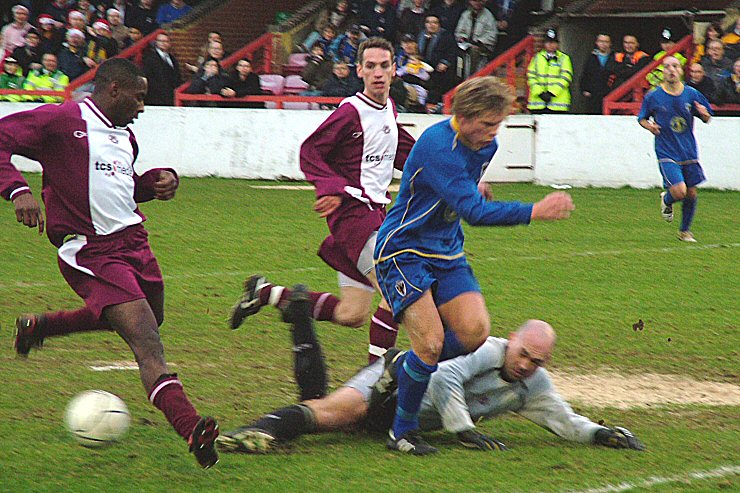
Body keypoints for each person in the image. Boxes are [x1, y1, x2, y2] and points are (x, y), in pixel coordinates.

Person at [0, 58, 220, 468]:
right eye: (139, 98)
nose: (142, 108)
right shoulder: (63, 120)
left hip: (135, 244)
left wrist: (154, 182)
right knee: (147, 341)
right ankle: (193, 428)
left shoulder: (124, 137)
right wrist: (16, 191)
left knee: (151, 317)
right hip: (91, 251)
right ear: (114, 89)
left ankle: (45, 325)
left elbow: (119, 188)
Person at [373, 76, 575, 454]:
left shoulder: (486, 144)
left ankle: (405, 368)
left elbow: (461, 192)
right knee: (431, 343)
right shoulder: (438, 146)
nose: (493, 133)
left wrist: (469, 188)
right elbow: (475, 213)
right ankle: (401, 431)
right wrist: (535, 210)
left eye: (498, 124)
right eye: (486, 124)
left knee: (474, 332)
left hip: (446, 248)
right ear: (462, 117)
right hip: (405, 249)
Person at [229, 38, 416, 364]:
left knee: (352, 313)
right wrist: (329, 187)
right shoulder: (350, 112)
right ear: (359, 70)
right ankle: (376, 386)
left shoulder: (388, 109)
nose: (378, 73)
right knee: (396, 292)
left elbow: (401, 148)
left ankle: (266, 293)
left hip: (376, 216)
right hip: (354, 217)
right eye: (370, 66)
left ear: (394, 70)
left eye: (384, 66)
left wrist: (443, 169)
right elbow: (310, 150)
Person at [216, 316, 645, 454]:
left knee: (331, 413)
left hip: (403, 418)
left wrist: (598, 433)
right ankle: (252, 432)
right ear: (512, 340)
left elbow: (561, 417)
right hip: (397, 379)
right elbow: (444, 374)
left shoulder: (532, 383)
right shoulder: (491, 350)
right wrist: (465, 430)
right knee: (340, 412)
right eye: (524, 354)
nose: (528, 365)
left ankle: (302, 318)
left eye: (538, 362)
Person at [638, 56, 712, 243]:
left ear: (680, 70)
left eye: (675, 66)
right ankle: (667, 200)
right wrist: (650, 127)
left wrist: (704, 114)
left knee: (692, 192)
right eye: (667, 67)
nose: (671, 70)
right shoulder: (653, 96)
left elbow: (707, 115)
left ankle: (684, 231)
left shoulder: (691, 94)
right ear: (663, 71)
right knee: (680, 191)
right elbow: (642, 118)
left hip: (688, 151)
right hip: (666, 151)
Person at [417, 13, 458, 112]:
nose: (431, 25)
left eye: (434, 23)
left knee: (439, 78)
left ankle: (435, 105)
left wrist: (445, 62)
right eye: (428, 22)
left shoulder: (446, 36)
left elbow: (452, 52)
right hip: (422, 66)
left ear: (439, 24)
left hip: (439, 68)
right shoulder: (421, 35)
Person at [527, 28, 573, 113]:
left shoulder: (564, 58)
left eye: (553, 42)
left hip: (558, 103)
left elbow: (566, 77)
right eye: (548, 42)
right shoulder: (537, 58)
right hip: (538, 103)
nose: (551, 45)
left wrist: (552, 92)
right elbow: (531, 76)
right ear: (544, 44)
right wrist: (540, 92)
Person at [454, 0, 498, 77]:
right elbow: (459, 31)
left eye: (479, 1)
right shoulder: (465, 14)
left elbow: (492, 35)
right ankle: (457, 77)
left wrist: (479, 42)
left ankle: (471, 76)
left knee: (474, 50)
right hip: (466, 43)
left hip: (482, 45)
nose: (477, 3)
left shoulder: (488, 16)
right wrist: (462, 37)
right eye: (474, 1)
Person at [579, 33, 615, 114]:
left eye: (606, 42)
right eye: (601, 41)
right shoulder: (591, 57)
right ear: (597, 42)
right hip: (593, 93)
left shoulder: (615, 57)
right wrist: (584, 89)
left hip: (610, 92)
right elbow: (586, 73)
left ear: (610, 43)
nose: (603, 44)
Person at [142, 31, 180, 105]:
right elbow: (148, 77)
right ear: (156, 42)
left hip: (171, 96)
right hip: (156, 97)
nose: (163, 43)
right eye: (161, 41)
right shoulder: (150, 58)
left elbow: (177, 76)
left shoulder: (173, 59)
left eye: (166, 41)